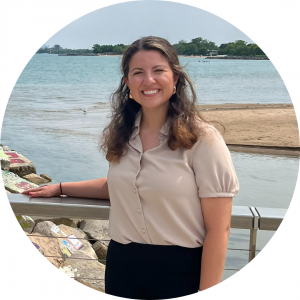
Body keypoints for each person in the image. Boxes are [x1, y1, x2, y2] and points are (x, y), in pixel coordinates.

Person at [22, 36, 239, 299]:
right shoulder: (122, 136)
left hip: (182, 272)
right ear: (128, 84)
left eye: (158, 70)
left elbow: (220, 229)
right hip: (122, 266)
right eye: (138, 73)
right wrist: (59, 188)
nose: (148, 80)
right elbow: (121, 185)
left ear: (176, 78)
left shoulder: (202, 139)